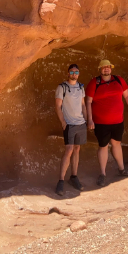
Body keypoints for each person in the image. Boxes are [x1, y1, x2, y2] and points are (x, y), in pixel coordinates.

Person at [85, 59, 128, 187]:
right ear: (100, 69)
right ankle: (102, 174)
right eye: (103, 67)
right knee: (103, 146)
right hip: (101, 122)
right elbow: (88, 102)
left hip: (117, 121)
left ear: (111, 68)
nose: (106, 69)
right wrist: (90, 119)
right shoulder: (94, 83)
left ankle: (121, 169)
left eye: (108, 67)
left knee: (116, 143)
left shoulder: (119, 80)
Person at [55, 64, 87, 196]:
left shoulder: (80, 87)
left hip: (80, 123)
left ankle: (73, 177)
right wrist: (63, 122)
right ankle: (61, 181)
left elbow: (83, 104)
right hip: (69, 124)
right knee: (69, 149)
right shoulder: (62, 87)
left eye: (76, 72)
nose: (74, 74)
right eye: (72, 72)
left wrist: (87, 119)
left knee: (77, 149)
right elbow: (58, 106)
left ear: (79, 74)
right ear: (68, 73)